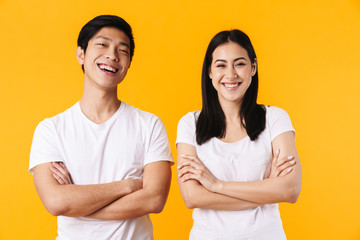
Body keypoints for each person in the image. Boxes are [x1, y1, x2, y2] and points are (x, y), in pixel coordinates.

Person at [29, 15, 173, 240]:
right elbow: (56, 202)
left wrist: (77, 204)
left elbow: (154, 200)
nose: (112, 55)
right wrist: (126, 186)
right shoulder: (51, 130)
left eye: (122, 50)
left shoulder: (149, 125)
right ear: (81, 55)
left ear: (129, 63)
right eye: (102, 44)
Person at [176, 29, 302, 239]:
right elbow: (192, 197)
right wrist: (267, 192)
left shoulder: (275, 118)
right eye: (221, 65)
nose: (231, 74)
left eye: (240, 63)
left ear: (253, 67)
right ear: (209, 72)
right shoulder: (190, 124)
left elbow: (290, 190)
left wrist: (216, 185)